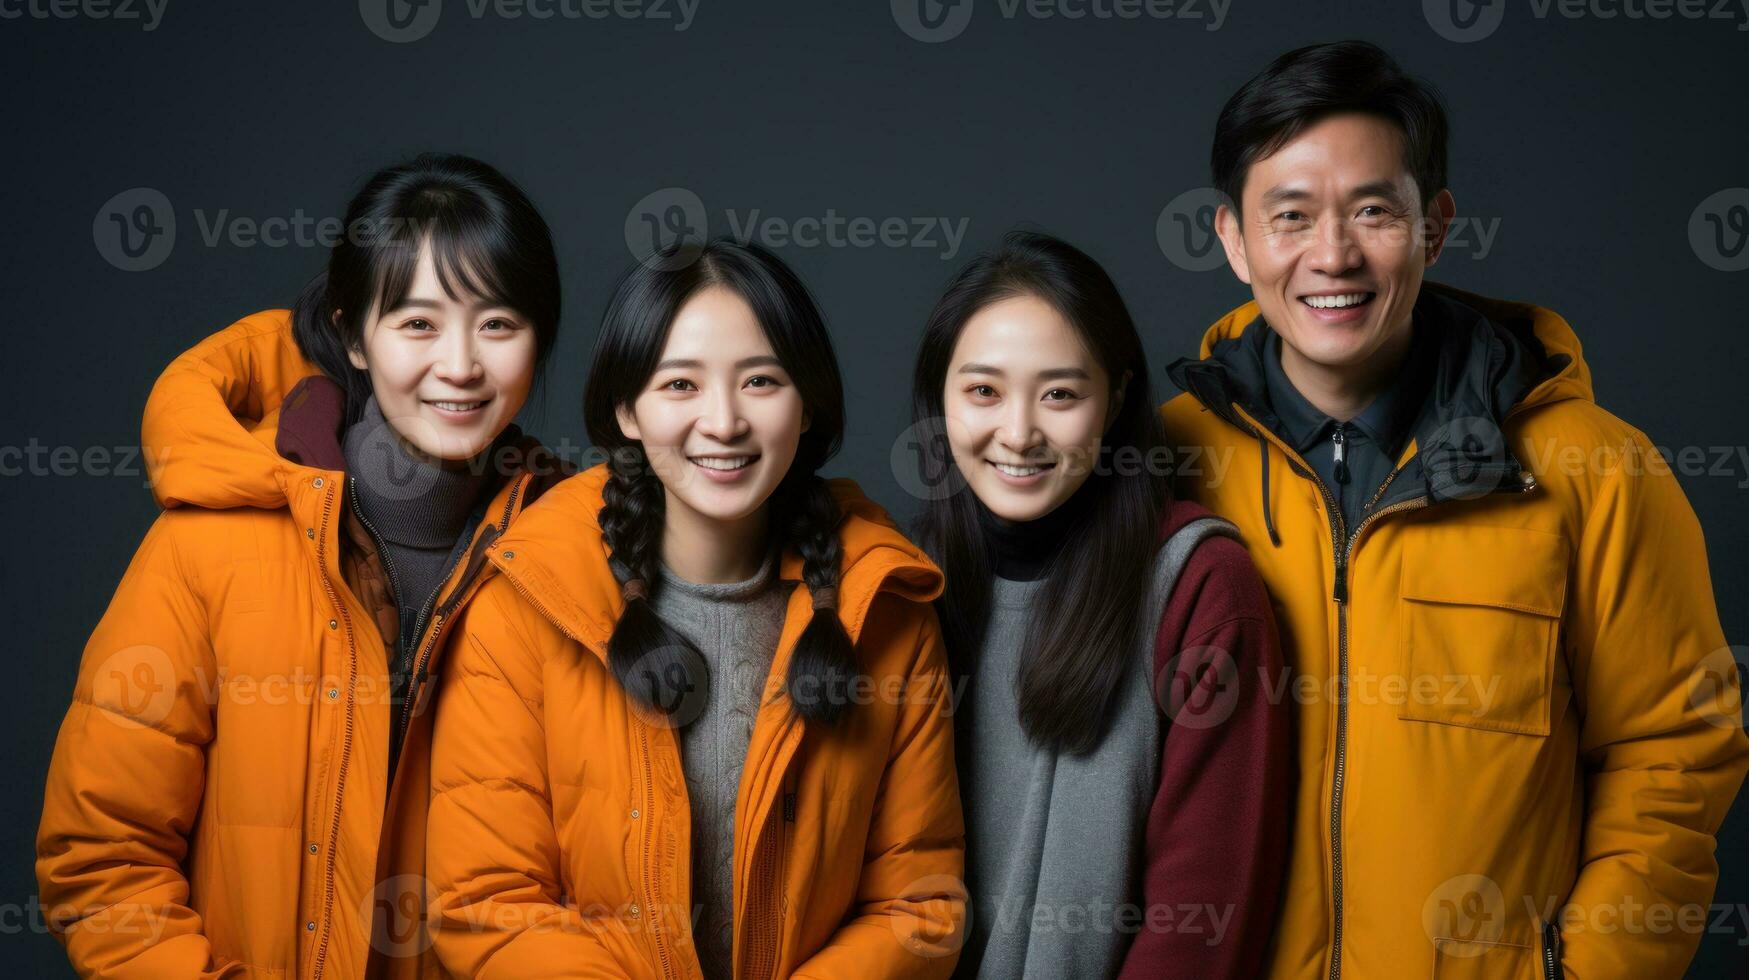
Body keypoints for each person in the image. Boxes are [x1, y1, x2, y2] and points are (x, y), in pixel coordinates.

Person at [1161, 40, 1749, 978]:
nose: (1332, 255)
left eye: (1371, 210)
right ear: (1232, 239)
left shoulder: (1592, 470)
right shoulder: (1159, 468)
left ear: (1433, 226)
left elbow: (1674, 751)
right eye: (1289, 216)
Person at [36, 152, 568, 979]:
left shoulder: (572, 566)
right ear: (354, 335)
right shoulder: (209, 544)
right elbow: (102, 857)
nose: (461, 366)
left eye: (498, 324)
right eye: (418, 324)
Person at [424, 239, 967, 978]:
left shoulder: (886, 609)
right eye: (680, 385)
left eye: (761, 382)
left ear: (806, 403)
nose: (722, 422)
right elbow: (486, 901)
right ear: (626, 409)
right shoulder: (529, 600)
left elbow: (918, 904)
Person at [910, 230, 1290, 978]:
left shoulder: (1200, 588)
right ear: (940, 401)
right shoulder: (906, 583)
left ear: (1114, 401)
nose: (1018, 434)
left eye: (1059, 393)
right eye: (982, 390)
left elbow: (1200, 925)